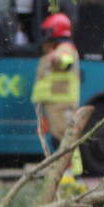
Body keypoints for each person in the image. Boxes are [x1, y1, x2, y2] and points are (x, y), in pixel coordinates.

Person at [31, 12, 82, 174]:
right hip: (55, 102)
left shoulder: (64, 48)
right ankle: (65, 171)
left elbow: (66, 60)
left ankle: (73, 173)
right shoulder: (55, 48)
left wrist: (57, 59)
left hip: (62, 102)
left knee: (66, 138)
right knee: (59, 137)